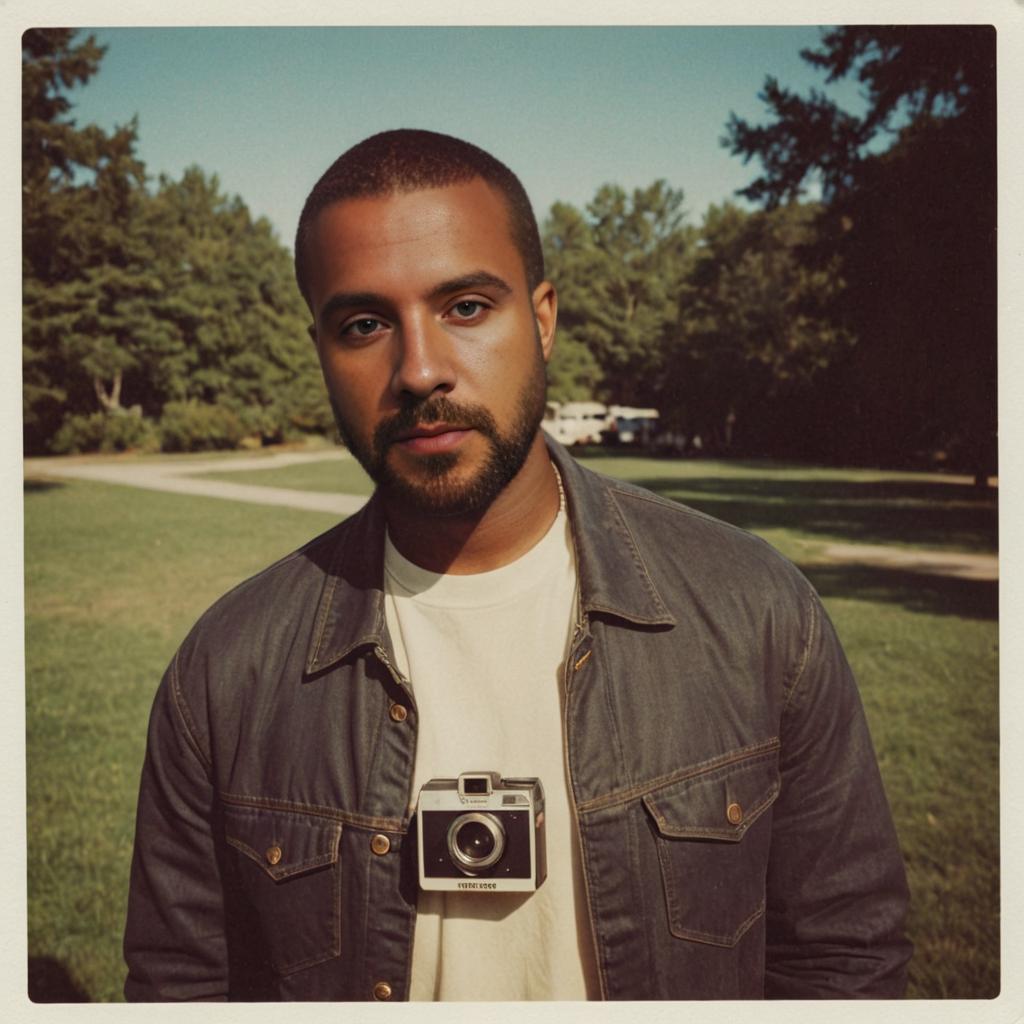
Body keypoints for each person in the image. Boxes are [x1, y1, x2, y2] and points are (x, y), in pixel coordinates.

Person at [123, 129, 912, 1001]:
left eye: (465, 307)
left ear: (541, 319)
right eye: (363, 324)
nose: (419, 369)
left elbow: (846, 962)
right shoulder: (226, 673)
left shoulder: (758, 615)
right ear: (321, 349)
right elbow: (179, 990)